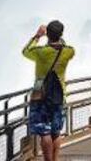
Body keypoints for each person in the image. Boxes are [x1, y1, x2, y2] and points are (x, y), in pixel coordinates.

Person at [23, 20, 75, 161]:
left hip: (41, 96)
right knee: (56, 132)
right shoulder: (69, 51)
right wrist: (56, 37)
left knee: (44, 132)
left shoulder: (41, 52)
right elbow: (62, 44)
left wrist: (37, 36)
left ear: (48, 35)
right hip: (59, 95)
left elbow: (25, 51)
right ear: (61, 34)